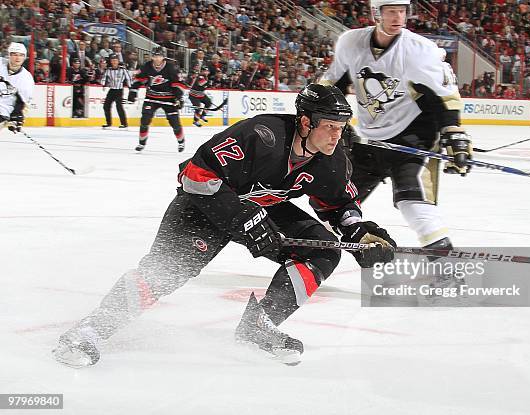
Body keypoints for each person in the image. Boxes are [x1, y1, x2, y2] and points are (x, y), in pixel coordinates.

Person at [52, 84, 396, 367]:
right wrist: (241, 217)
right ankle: (89, 331)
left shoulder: (332, 160)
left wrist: (357, 230)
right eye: (330, 126)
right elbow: (195, 176)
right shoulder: (262, 135)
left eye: (342, 127)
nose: (338, 135)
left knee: (321, 251)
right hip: (203, 207)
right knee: (165, 272)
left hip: (260, 209)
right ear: (305, 122)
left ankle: (258, 329)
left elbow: (337, 203)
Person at [319, 0, 472, 250]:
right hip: (371, 140)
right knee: (337, 200)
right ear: (375, 13)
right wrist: (329, 123)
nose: (398, 17)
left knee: (412, 201)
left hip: (413, 138)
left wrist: (453, 132)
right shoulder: (351, 43)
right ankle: (315, 251)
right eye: (391, 11)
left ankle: (446, 271)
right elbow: (332, 86)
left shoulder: (419, 49)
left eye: (402, 11)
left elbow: (443, 97)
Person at [127, 47, 188, 152]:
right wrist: (133, 92)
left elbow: (177, 84)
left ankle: (181, 142)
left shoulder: (170, 67)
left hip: (169, 98)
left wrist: (179, 98)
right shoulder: (147, 66)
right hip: (151, 97)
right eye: (155, 56)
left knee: (175, 123)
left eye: (159, 56)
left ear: (163, 57)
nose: (157, 58)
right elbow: (139, 79)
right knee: (145, 120)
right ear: (152, 57)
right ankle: (141, 143)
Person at [0, 42, 34, 134]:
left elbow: (24, 103)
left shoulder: (26, 78)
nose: (18, 58)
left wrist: (17, 117)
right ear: (9, 55)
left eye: (21, 55)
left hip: (3, 112)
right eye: (14, 54)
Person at [100, 54, 132, 129]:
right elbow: (104, 78)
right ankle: (108, 123)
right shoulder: (108, 70)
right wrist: (103, 84)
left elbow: (128, 78)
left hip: (119, 90)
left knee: (119, 106)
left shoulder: (123, 69)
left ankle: (124, 124)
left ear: (118, 61)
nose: (114, 62)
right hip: (112, 90)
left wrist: (130, 88)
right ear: (111, 61)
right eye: (113, 60)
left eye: (115, 60)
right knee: (106, 106)